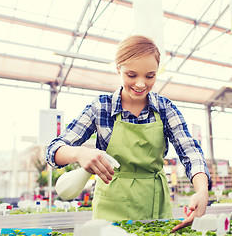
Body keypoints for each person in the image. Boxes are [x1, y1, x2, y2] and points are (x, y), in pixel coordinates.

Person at [46, 35, 211, 231]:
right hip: (111, 210)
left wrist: (202, 190)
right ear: (119, 69)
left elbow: (190, 151)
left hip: (155, 208)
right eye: (131, 75)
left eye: (150, 76)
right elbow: (53, 150)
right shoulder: (101, 108)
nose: (141, 84)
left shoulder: (165, 109)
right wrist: (79, 153)